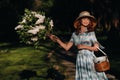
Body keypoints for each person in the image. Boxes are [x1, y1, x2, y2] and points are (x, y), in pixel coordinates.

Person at [49, 11, 108, 80]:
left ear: (90, 21)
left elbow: (96, 48)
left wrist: (84, 46)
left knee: (93, 77)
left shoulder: (91, 33)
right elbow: (66, 47)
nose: (86, 21)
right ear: (80, 21)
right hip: (80, 59)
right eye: (84, 19)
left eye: (88, 19)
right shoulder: (74, 34)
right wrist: (57, 40)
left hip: (89, 59)